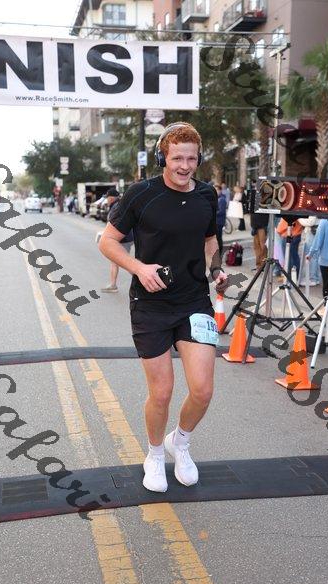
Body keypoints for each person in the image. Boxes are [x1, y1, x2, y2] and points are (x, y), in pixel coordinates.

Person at [99, 122, 228, 493]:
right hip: (150, 305)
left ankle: (179, 443)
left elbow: (210, 240)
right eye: (177, 159)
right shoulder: (141, 194)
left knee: (202, 390)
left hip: (195, 302)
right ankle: (155, 454)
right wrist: (139, 268)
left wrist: (216, 269)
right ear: (163, 158)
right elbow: (108, 241)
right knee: (162, 392)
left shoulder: (206, 194)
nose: (184, 166)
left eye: (191, 159)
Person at [101, 188, 134, 293]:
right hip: (124, 238)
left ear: (111, 198)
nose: (106, 200)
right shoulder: (117, 205)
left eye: (107, 198)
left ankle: (143, 278)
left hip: (122, 239)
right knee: (116, 262)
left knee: (125, 263)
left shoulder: (116, 207)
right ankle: (113, 285)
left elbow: (115, 224)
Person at [215, 184, 227, 258]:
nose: (215, 191)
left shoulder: (221, 199)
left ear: (220, 190)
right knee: (217, 238)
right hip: (217, 221)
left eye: (216, 190)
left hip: (219, 222)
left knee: (218, 238)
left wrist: (212, 212)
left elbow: (221, 211)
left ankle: (219, 254)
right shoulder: (218, 198)